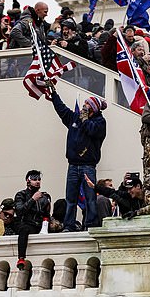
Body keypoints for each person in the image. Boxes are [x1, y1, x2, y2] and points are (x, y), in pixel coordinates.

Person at [50, 87, 107, 231]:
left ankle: (90, 225)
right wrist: (53, 93)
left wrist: (85, 119)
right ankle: (68, 225)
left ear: (93, 109)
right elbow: (62, 110)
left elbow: (92, 130)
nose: (83, 108)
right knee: (70, 199)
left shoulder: (100, 122)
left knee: (90, 198)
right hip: (73, 165)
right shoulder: (75, 117)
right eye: (83, 105)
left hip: (88, 165)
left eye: (86, 106)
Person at [15, 170, 51, 269]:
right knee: (24, 229)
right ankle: (21, 258)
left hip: (39, 225)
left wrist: (46, 226)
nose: (37, 181)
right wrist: (32, 199)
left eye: (39, 179)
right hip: (26, 224)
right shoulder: (21, 195)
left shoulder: (44, 197)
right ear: (28, 181)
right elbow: (20, 211)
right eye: (34, 179)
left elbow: (46, 214)